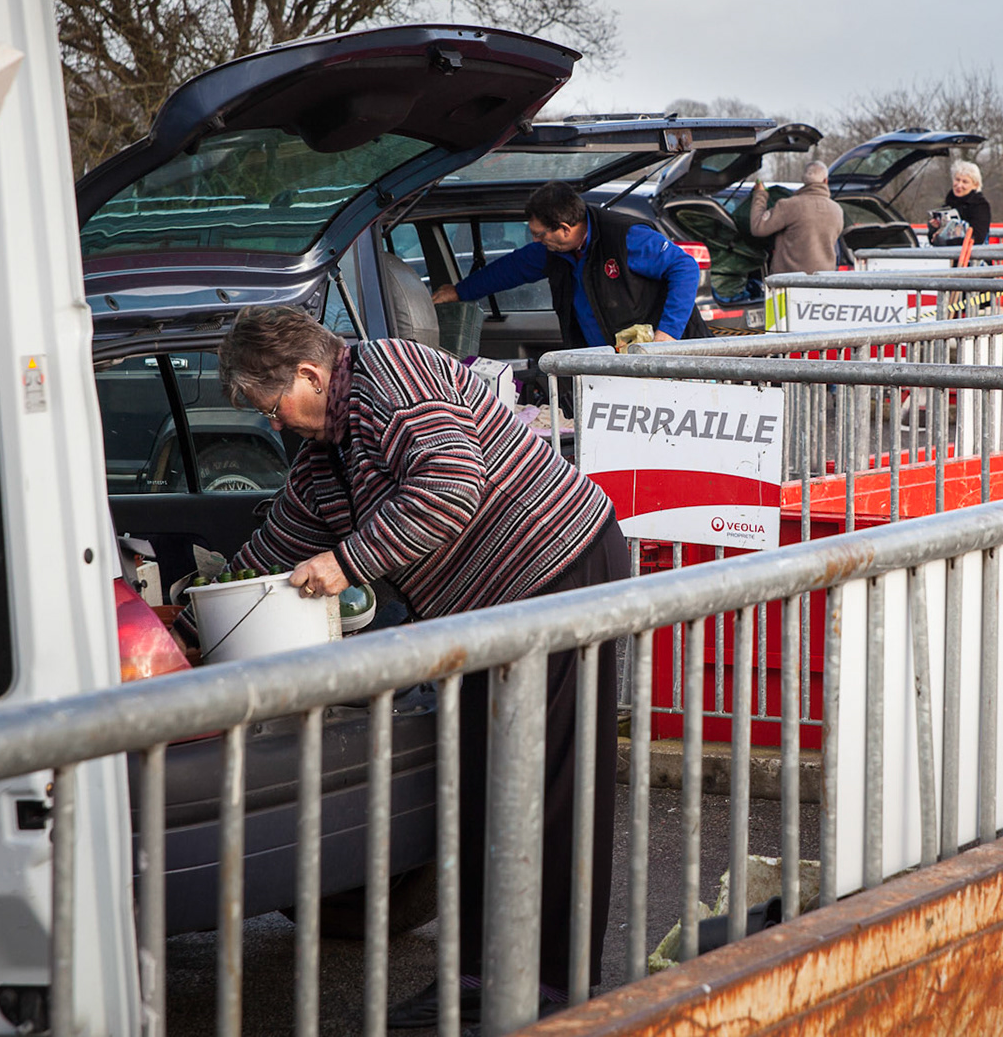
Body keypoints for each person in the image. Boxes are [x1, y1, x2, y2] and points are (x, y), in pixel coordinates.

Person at [216, 305, 620, 1024]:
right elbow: (280, 542)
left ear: (310, 373)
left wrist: (346, 563)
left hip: (559, 572)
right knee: (477, 785)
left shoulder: (392, 375)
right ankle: (478, 977)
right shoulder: (324, 455)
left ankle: (549, 988)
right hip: (481, 614)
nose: (272, 423)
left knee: (550, 784)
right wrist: (198, 610)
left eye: (269, 404)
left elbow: (449, 488)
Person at [432, 181, 707, 349]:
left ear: (564, 228)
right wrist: (459, 292)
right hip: (611, 366)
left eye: (540, 234)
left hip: (669, 357)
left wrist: (666, 337)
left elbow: (685, 268)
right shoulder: (550, 250)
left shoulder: (625, 237)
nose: (536, 240)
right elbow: (509, 269)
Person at [746, 160, 846, 274]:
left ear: (803, 180)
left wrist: (760, 194)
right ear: (825, 181)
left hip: (788, 283)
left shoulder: (788, 206)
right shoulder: (837, 210)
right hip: (823, 281)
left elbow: (758, 227)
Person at [927, 160, 992, 247]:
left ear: (975, 185)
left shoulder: (980, 206)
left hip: (973, 257)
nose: (959, 185)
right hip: (949, 258)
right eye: (957, 180)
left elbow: (977, 238)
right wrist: (934, 229)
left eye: (965, 182)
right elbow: (934, 240)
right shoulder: (948, 205)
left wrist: (947, 243)